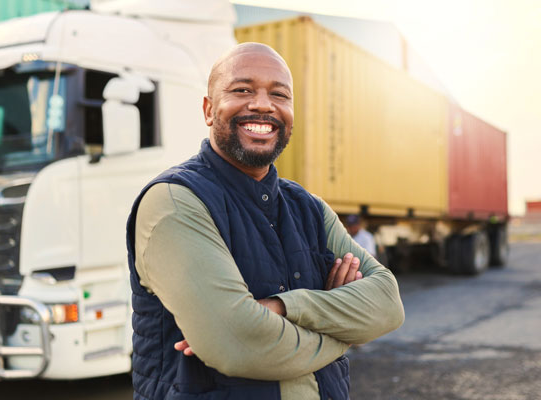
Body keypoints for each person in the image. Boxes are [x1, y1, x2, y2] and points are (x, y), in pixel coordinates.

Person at [126, 42, 404, 400]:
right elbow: (237, 342)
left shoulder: (309, 209)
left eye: (279, 94)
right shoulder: (175, 201)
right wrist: (346, 331)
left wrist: (283, 308)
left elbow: (387, 304)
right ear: (209, 110)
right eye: (242, 90)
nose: (262, 104)